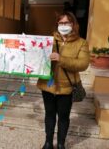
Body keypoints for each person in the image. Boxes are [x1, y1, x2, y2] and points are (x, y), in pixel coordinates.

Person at [37, 11, 89, 149]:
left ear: (73, 24)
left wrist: (61, 59)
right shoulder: (49, 41)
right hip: (48, 85)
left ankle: (61, 143)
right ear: (57, 24)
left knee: (64, 116)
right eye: (61, 23)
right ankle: (48, 142)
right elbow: (36, 58)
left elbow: (83, 64)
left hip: (67, 87)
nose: (64, 25)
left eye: (67, 22)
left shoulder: (81, 43)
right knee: (49, 114)